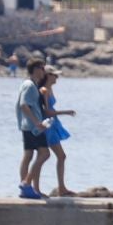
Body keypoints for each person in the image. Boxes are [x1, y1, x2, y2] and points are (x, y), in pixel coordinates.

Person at [15, 57, 54, 200]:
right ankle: (26, 183)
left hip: (29, 126)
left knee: (29, 155)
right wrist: (37, 122)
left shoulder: (32, 85)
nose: (44, 71)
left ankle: (27, 188)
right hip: (33, 127)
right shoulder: (29, 85)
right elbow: (23, 105)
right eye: (42, 68)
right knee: (45, 154)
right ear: (36, 69)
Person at [41, 66, 75, 197]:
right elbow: (47, 111)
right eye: (54, 75)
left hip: (53, 124)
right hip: (48, 125)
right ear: (48, 75)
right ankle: (30, 182)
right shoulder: (44, 90)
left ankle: (61, 187)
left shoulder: (50, 89)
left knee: (59, 156)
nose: (57, 77)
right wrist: (65, 112)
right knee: (46, 155)